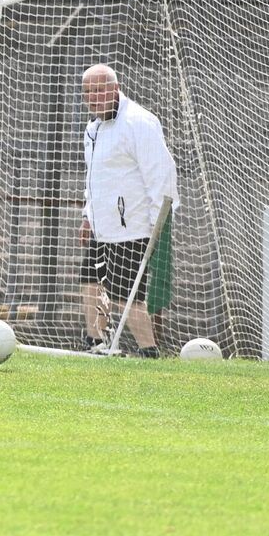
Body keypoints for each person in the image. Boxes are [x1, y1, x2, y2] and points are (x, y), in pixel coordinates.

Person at [78, 64, 178, 357]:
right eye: (88, 92)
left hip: (132, 227)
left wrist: (158, 224)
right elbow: (95, 177)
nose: (93, 97)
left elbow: (162, 174)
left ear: (115, 88)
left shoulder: (139, 122)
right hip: (102, 226)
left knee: (124, 295)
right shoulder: (93, 129)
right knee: (90, 281)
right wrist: (88, 216)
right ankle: (96, 343)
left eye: (99, 90)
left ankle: (149, 351)